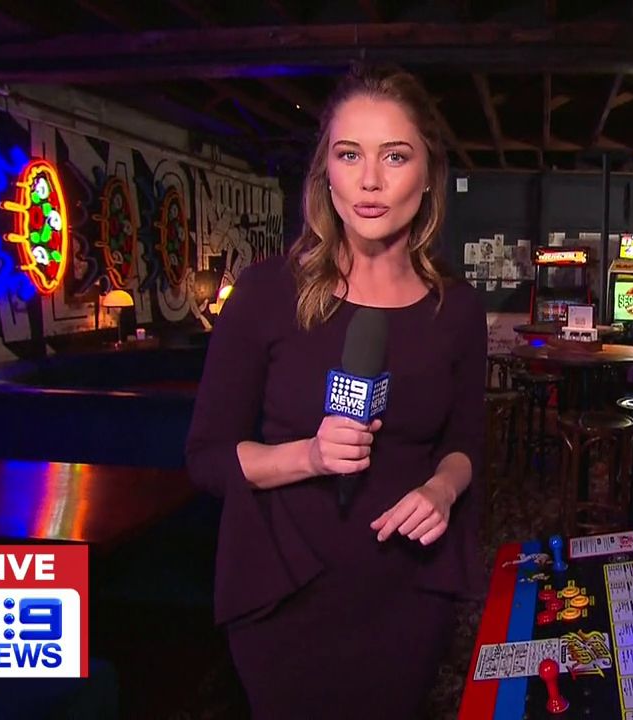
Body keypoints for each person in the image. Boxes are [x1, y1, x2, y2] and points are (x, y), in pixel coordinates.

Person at [185, 64, 487, 719]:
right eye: (350, 155)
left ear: (428, 175)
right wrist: (310, 456)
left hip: (408, 592)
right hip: (286, 589)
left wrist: (442, 488)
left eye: (395, 156)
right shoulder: (265, 293)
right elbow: (206, 458)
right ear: (327, 171)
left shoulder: (458, 309)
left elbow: (465, 443)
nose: (370, 180)